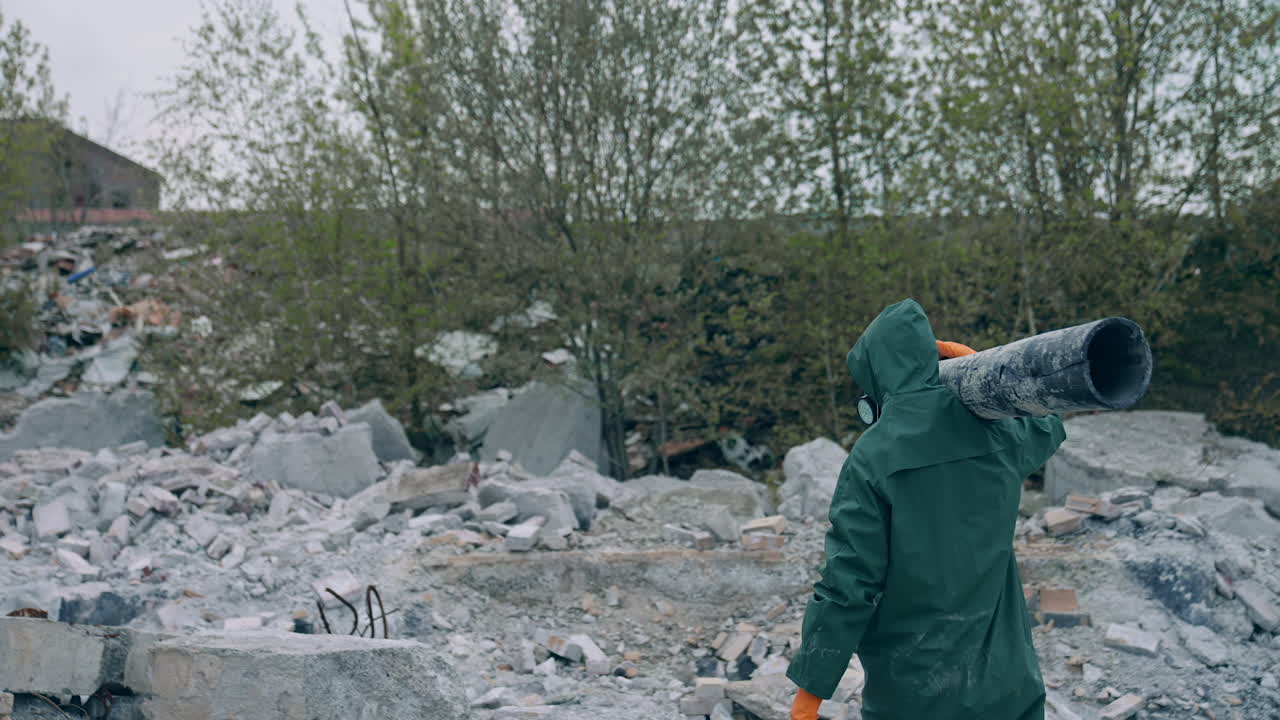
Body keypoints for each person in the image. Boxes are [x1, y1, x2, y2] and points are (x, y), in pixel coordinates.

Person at [787, 299, 1066, 720]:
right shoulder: (998, 432)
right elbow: (1050, 426)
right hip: (1008, 681)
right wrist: (984, 367)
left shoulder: (873, 456)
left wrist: (811, 691)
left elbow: (848, 585)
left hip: (914, 688)